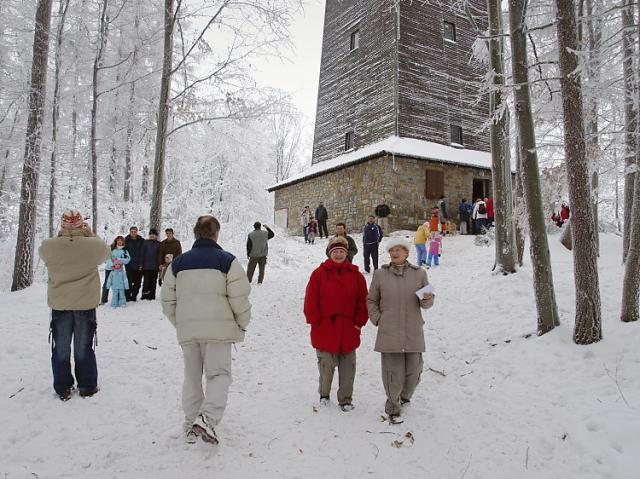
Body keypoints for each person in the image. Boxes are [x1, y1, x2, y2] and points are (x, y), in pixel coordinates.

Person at [161, 215, 251, 445]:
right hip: (219, 330)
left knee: (191, 377)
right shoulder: (227, 261)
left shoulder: (178, 264)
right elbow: (239, 298)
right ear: (216, 234)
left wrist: (181, 322)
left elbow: (167, 300)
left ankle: (191, 422)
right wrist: (241, 323)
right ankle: (207, 419)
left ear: (196, 234)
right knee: (219, 374)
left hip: (188, 330)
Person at [38, 210, 110, 401]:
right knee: (84, 346)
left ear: (62, 226)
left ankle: (62, 386)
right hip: (85, 303)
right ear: (81, 225)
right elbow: (106, 252)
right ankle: (87, 386)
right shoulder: (92, 245)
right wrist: (90, 234)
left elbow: (48, 254)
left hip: (60, 303)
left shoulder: (48, 246)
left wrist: (63, 235)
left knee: (60, 347)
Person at [366, 237, 435, 424]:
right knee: (392, 372)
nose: (395, 253)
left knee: (414, 371)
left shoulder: (419, 274)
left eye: (399, 250)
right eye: (392, 251)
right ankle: (393, 405)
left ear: (406, 253)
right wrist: (378, 319)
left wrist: (427, 299)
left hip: (413, 329)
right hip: (389, 330)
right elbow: (371, 300)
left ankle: (405, 397)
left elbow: (426, 302)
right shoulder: (380, 274)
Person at [304, 236, 368, 411]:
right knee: (326, 365)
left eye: (342, 251)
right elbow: (310, 300)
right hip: (325, 328)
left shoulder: (356, 276)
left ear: (346, 254)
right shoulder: (318, 274)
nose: (339, 254)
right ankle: (324, 394)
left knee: (348, 367)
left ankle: (345, 399)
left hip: (348, 328)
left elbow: (363, 301)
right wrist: (315, 321)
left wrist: (358, 323)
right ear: (329, 253)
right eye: (335, 251)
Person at [106, 236, 131, 307]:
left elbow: (128, 259)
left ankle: (122, 302)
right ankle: (106, 300)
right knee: (109, 282)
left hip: (119, 268)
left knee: (120, 284)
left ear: (123, 242)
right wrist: (112, 265)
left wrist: (119, 260)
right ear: (116, 241)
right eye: (118, 240)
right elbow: (108, 257)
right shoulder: (112, 249)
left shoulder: (125, 250)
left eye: (121, 240)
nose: (119, 242)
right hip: (110, 268)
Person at [124, 226, 144, 301]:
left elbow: (143, 253)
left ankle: (134, 295)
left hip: (139, 264)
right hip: (129, 264)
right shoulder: (126, 240)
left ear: (137, 232)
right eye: (132, 232)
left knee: (137, 282)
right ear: (130, 232)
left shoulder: (141, 240)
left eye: (134, 231)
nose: (133, 233)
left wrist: (141, 264)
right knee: (128, 282)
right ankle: (127, 296)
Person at [140, 228, 161, 300]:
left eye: (153, 235)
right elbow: (142, 254)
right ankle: (144, 295)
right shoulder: (145, 243)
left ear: (156, 236)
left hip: (155, 266)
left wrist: (159, 264)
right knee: (146, 281)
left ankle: (152, 296)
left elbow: (160, 255)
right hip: (146, 266)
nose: (152, 236)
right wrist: (141, 264)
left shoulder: (159, 244)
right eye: (151, 234)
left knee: (153, 282)